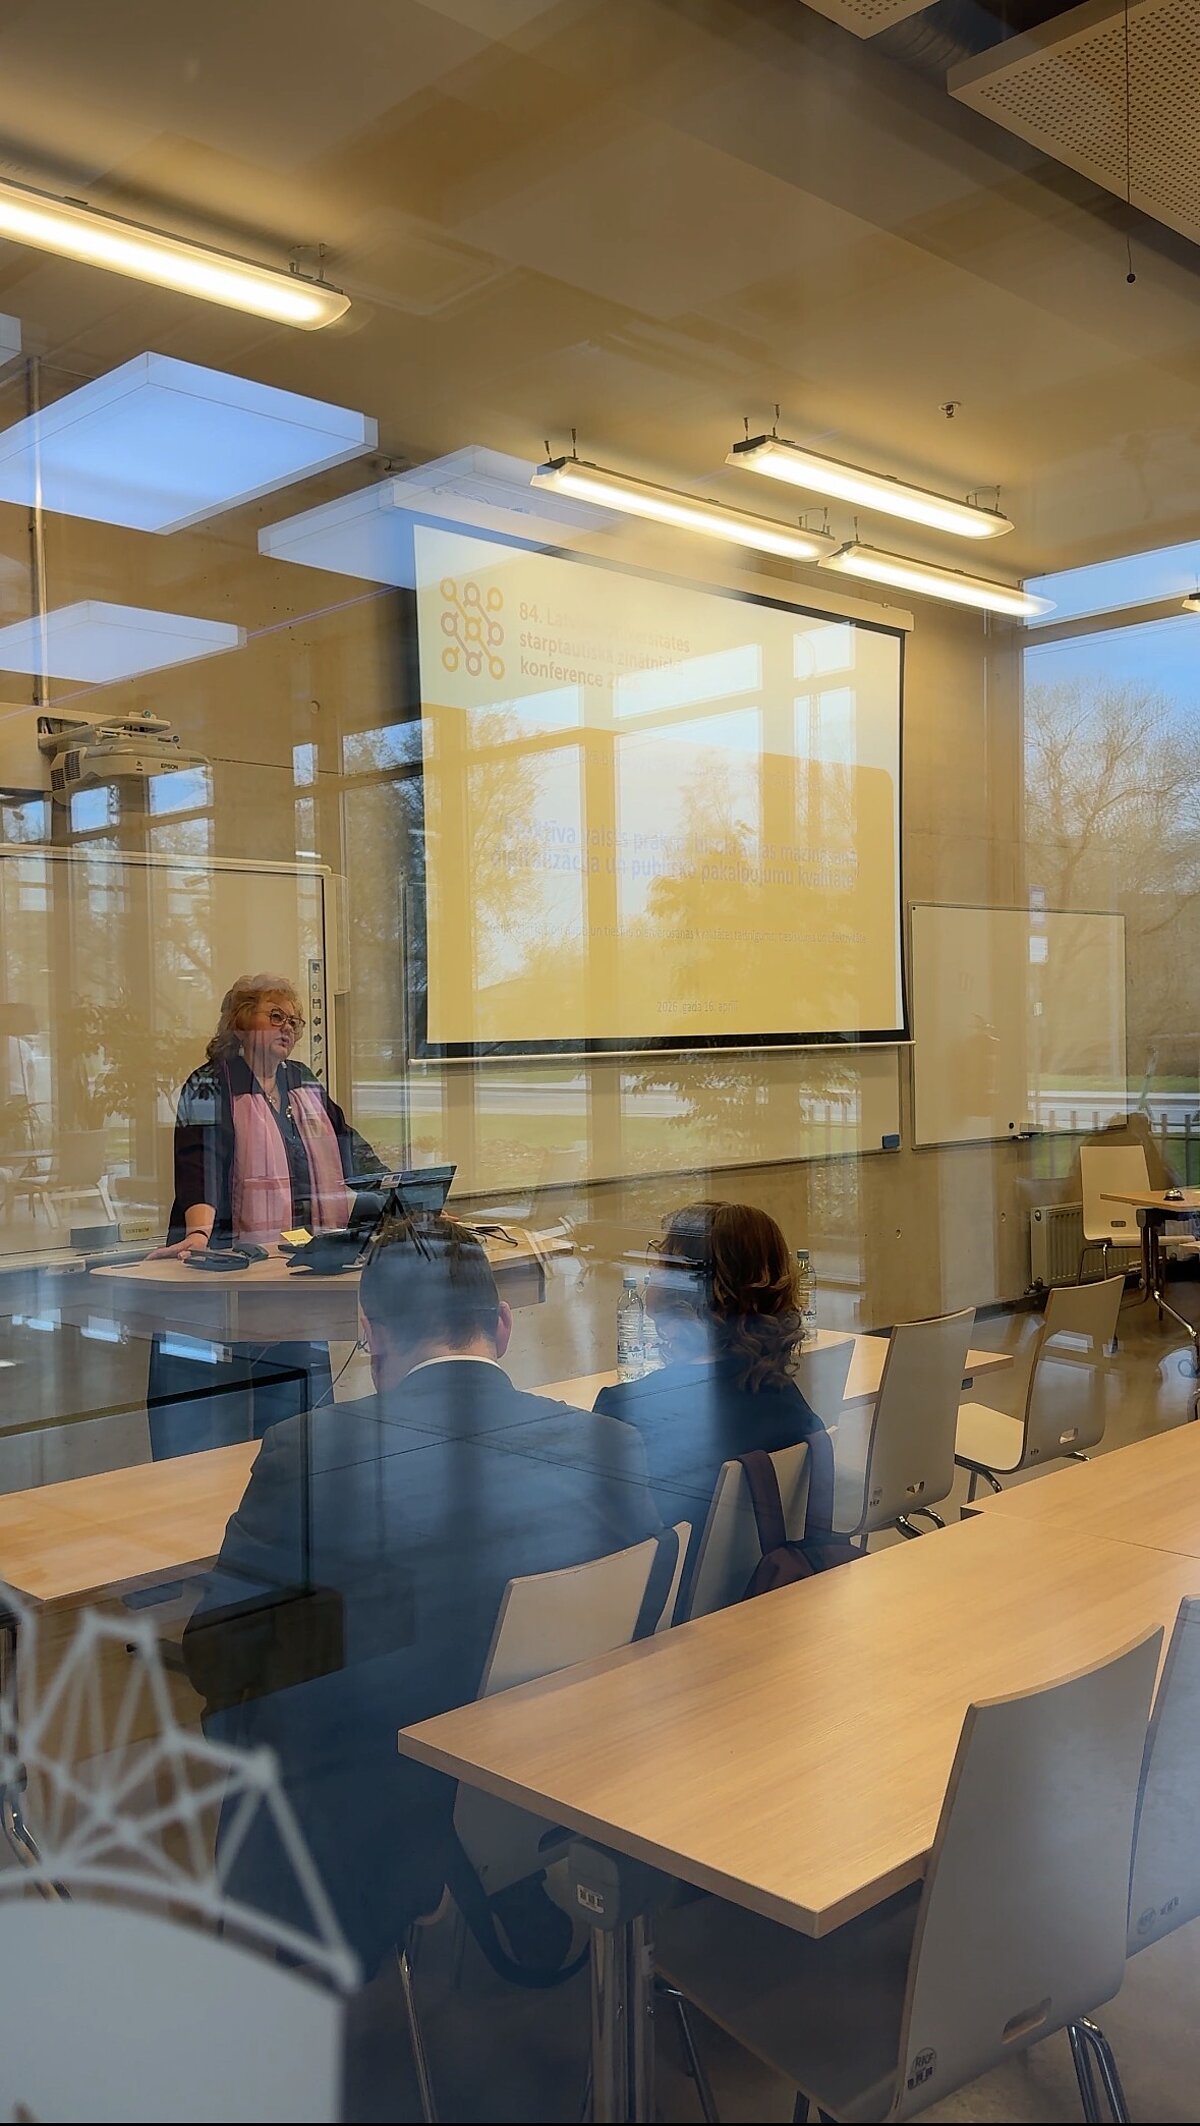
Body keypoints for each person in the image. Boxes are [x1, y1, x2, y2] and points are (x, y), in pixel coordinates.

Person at [181, 1212, 663, 1977]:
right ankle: (505, 1883)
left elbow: (217, 1652)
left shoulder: (309, 1452)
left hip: (381, 1807)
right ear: (502, 1326)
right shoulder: (611, 1446)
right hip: (558, 1772)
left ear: (368, 1334)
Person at [146, 971, 388, 1459]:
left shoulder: (302, 1080)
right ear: (240, 1022)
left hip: (293, 1267)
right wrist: (198, 1232)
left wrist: (396, 1195)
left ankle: (293, 1480)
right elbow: (199, 1161)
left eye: (294, 1021)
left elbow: (351, 1150)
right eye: (275, 1016)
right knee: (220, 1418)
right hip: (224, 1268)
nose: (288, 1028)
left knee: (296, 1425)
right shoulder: (211, 1081)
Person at [593, 1201, 835, 1590]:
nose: (652, 1270)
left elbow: (608, 1558)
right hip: (767, 1597)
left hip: (672, 1614)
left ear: (684, 1286)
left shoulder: (625, 1411)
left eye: (662, 1260)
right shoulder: (784, 1397)